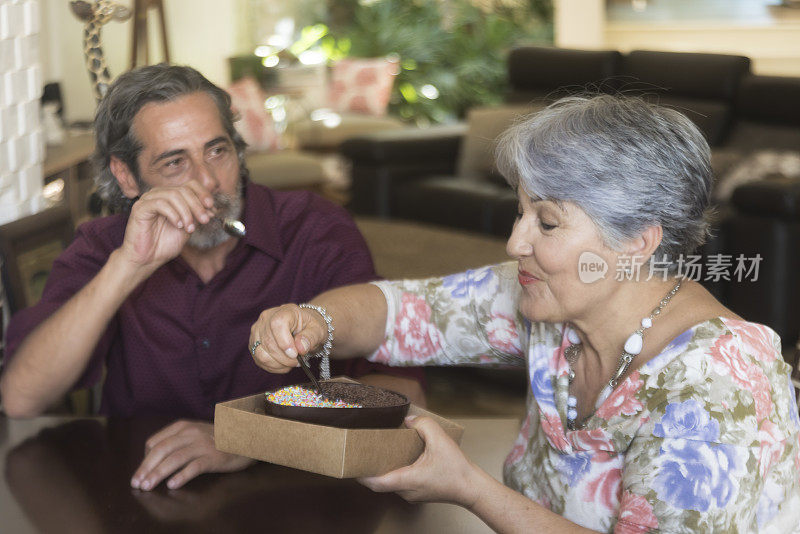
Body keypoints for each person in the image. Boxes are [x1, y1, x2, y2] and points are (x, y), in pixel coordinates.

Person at [249, 95, 800, 532]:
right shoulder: (553, 296)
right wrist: (314, 320)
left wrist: (469, 487)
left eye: (548, 222)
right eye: (520, 212)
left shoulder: (717, 380)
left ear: (638, 241)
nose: (515, 242)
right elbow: (400, 311)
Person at [0, 64, 424, 492]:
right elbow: (21, 398)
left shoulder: (315, 229)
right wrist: (128, 266)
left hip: (299, 494)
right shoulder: (104, 247)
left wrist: (253, 437)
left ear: (238, 150)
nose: (208, 181)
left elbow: (403, 394)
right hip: (148, 494)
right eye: (174, 162)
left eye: (217, 151)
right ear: (127, 176)